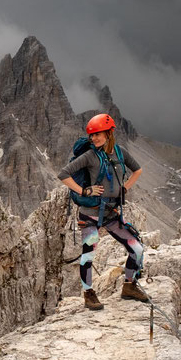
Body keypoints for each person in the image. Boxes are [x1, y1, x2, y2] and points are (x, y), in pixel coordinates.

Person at [57, 113, 148, 310]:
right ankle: (88, 294)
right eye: (92, 135)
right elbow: (63, 174)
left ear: (109, 133)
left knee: (137, 249)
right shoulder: (89, 156)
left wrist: (125, 188)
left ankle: (129, 286)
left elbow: (138, 170)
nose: (94, 138)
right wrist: (84, 190)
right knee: (88, 254)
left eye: (98, 134)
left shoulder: (120, 152)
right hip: (89, 213)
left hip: (110, 213)